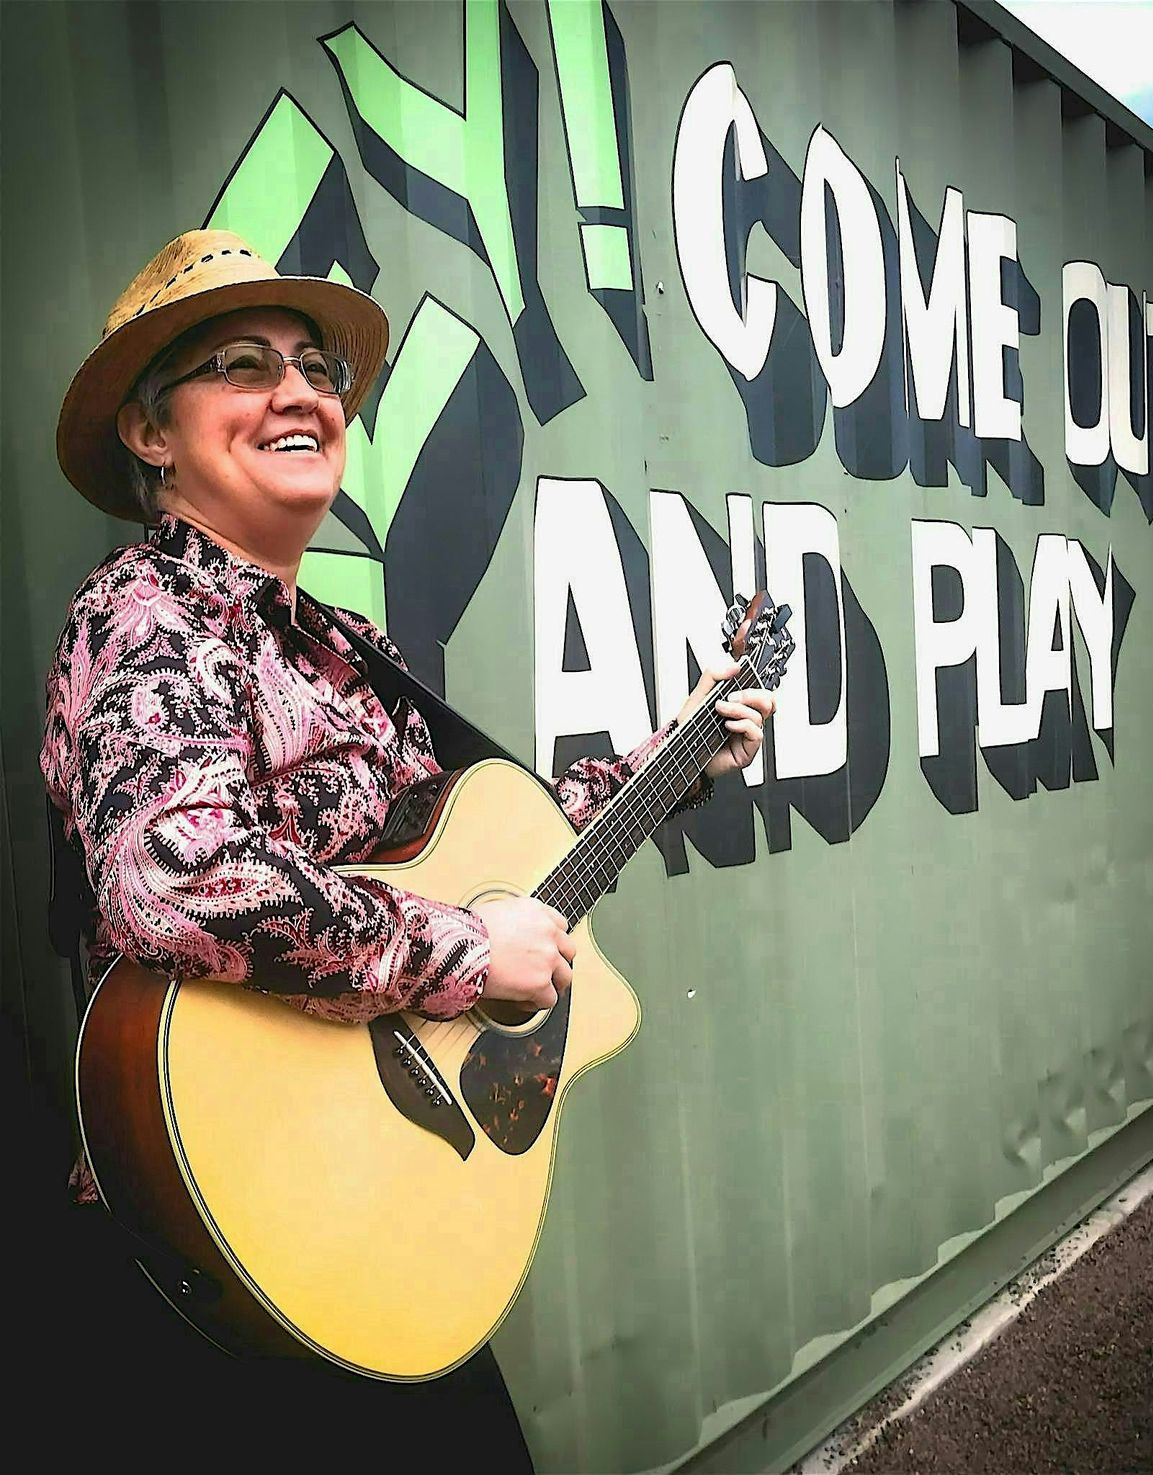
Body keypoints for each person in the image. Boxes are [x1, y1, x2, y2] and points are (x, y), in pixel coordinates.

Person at [41, 229, 775, 1461]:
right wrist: (459, 951)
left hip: (362, 1217)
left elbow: (502, 863)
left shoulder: (339, 641)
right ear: (150, 433)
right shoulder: (145, 613)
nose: (301, 392)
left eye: (318, 368)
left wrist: (675, 758)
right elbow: (170, 872)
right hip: (236, 1227)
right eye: (240, 362)